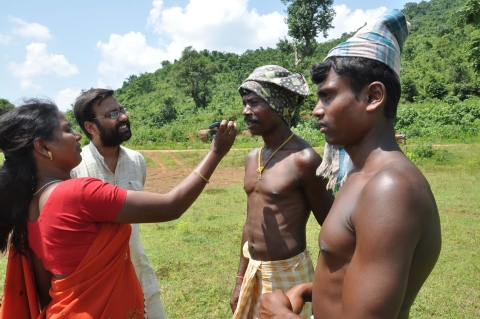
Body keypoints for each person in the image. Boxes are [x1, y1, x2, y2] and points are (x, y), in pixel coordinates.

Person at [258, 10, 442, 319]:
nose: (317, 111)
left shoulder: (390, 188)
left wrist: (278, 315)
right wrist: (309, 289)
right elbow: (354, 270)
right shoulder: (361, 175)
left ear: (373, 97)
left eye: (328, 96)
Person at [0, 98, 236, 318]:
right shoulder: (78, 193)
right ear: (42, 147)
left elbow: (44, 287)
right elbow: (172, 206)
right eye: (66, 129)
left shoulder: (31, 203)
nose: (77, 136)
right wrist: (216, 152)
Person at [231, 65, 335, 319]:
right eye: (245, 103)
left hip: (289, 275)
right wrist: (239, 279)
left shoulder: (304, 159)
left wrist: (327, 284)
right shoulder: (252, 157)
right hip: (253, 271)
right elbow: (250, 223)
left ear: (277, 106)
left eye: (254, 103)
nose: (246, 111)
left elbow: (333, 230)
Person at [69, 88, 166, 319]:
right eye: (112, 114)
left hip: (140, 274)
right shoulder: (74, 168)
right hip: (97, 286)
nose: (123, 117)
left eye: (122, 110)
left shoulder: (137, 160)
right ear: (90, 127)